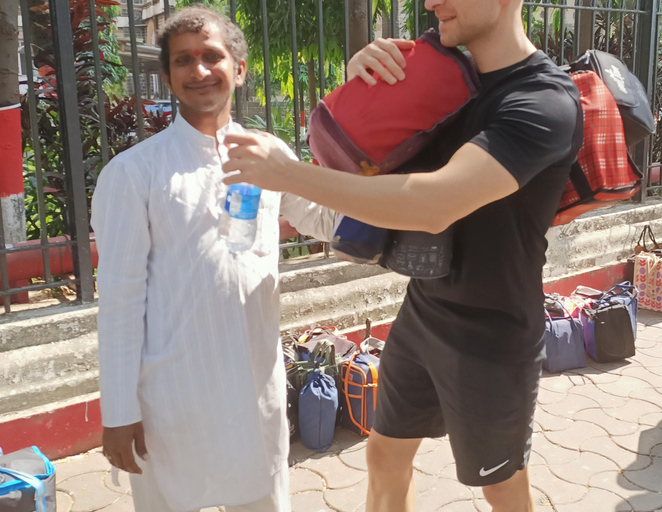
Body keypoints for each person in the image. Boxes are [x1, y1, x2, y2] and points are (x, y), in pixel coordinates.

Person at [222, 0, 584, 510]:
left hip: (493, 330)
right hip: (426, 308)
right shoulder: (440, 74)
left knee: (501, 488)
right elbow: (365, 167)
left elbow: (433, 204)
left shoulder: (543, 102)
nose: (432, 3)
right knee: (384, 456)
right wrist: (365, 92)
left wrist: (285, 174)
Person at [90, 6, 334, 512]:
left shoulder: (269, 154)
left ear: (239, 69)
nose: (199, 71)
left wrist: (389, 181)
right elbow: (119, 299)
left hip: (253, 391)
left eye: (211, 56)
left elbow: (326, 221)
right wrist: (117, 411)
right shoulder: (135, 172)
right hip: (170, 399)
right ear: (167, 76)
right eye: (183, 60)